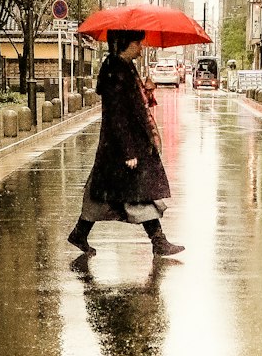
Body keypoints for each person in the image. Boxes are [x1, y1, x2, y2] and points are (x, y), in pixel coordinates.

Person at [68, 30, 184, 258]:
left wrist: (147, 91)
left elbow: (135, 105)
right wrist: (128, 151)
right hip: (121, 145)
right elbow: (117, 115)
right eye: (137, 43)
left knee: (104, 193)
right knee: (138, 193)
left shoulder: (124, 67)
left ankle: (80, 233)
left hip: (121, 145)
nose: (141, 48)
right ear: (125, 44)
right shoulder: (115, 70)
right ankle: (158, 242)